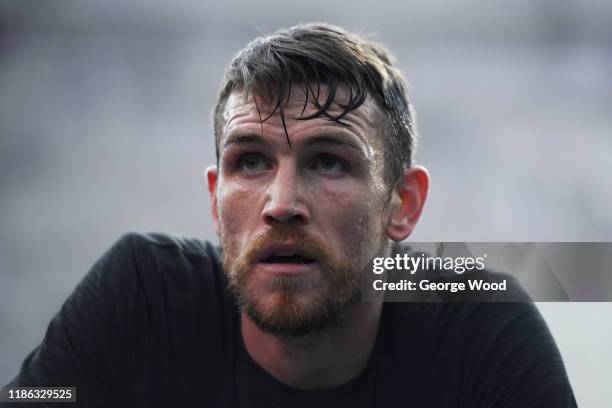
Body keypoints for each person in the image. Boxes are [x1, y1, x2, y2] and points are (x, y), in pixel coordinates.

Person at [4, 23, 576, 407]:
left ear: (401, 206)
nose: (280, 204)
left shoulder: (479, 329)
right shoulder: (142, 297)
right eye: (250, 161)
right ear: (214, 199)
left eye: (328, 162)